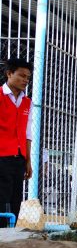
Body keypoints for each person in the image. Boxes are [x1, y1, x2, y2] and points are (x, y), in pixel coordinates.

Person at [0, 58, 32, 227]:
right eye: (21, 75)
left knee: (15, 199)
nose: (25, 80)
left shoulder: (27, 102)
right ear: (9, 73)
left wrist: (28, 161)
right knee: (2, 198)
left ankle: (9, 237)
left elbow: (28, 133)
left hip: (18, 159)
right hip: (1, 157)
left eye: (28, 77)